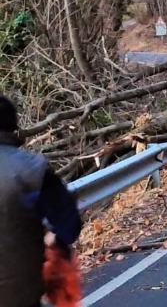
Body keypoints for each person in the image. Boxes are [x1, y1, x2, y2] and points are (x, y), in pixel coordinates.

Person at [0, 95, 83, 307]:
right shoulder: (32, 170)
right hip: (19, 294)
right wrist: (53, 241)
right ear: (12, 125)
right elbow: (68, 224)